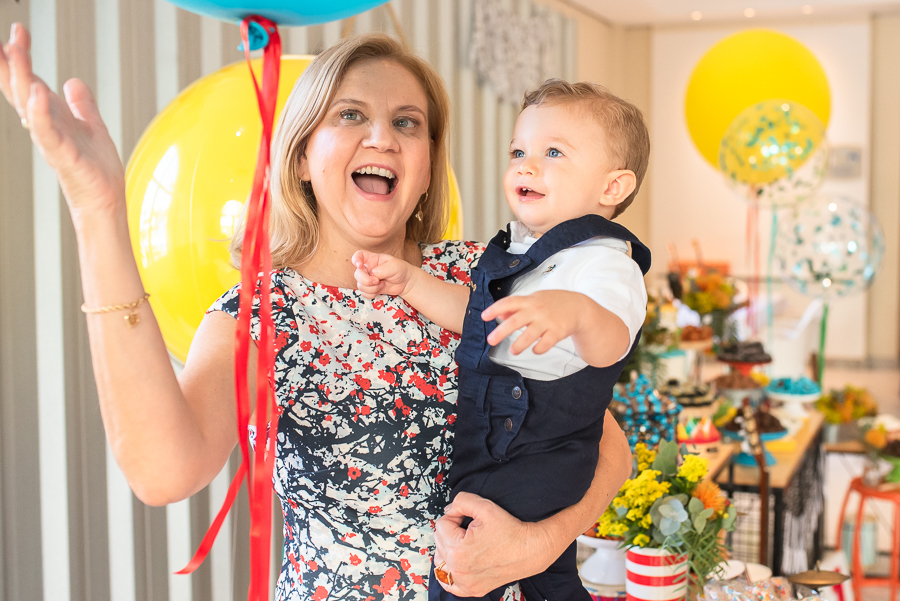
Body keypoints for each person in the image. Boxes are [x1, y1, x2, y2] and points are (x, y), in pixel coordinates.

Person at [0, 25, 633, 600]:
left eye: (408, 122)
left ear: (423, 170)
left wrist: (543, 542)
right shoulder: (263, 311)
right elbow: (165, 472)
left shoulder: (484, 274)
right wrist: (96, 210)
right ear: (303, 157)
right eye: (350, 114)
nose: (382, 136)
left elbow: (604, 443)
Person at [353, 80, 650, 601]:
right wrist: (409, 282)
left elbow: (612, 343)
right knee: (540, 574)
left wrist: (577, 312)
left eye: (552, 152)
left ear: (611, 188)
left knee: (470, 549)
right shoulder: (525, 255)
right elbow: (477, 319)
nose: (526, 165)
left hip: (543, 443)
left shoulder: (603, 262)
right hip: (496, 435)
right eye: (519, 151)